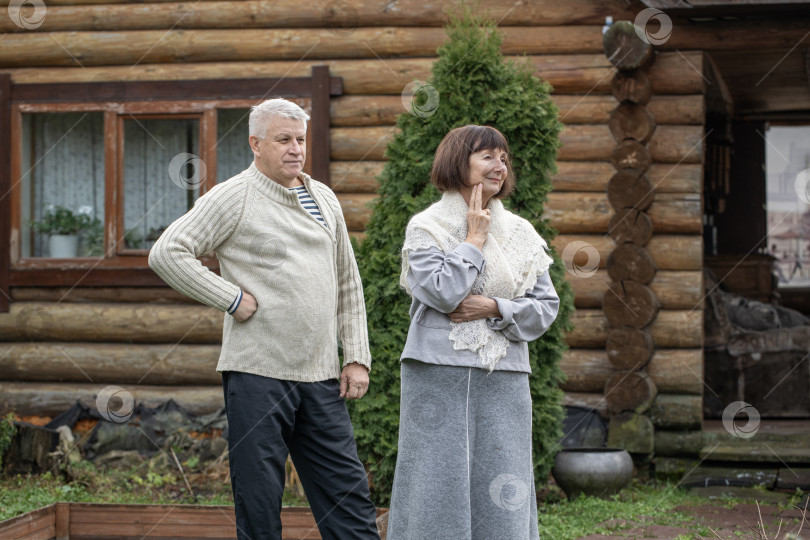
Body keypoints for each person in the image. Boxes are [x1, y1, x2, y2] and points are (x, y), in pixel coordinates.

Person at [149, 98, 380, 540]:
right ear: (255, 144)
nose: (296, 149)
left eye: (300, 139)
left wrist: (356, 356)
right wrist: (231, 298)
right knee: (259, 504)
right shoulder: (234, 196)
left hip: (320, 375)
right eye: (283, 139)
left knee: (349, 500)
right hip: (258, 375)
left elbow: (347, 282)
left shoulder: (323, 197)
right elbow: (167, 252)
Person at [386, 125, 560, 540]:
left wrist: (496, 307)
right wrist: (473, 240)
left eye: (504, 158)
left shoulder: (522, 234)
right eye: (487, 156)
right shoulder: (427, 227)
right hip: (437, 373)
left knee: (504, 479)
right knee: (435, 479)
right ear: (457, 161)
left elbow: (545, 308)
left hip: (505, 374)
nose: (499, 165)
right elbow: (443, 293)